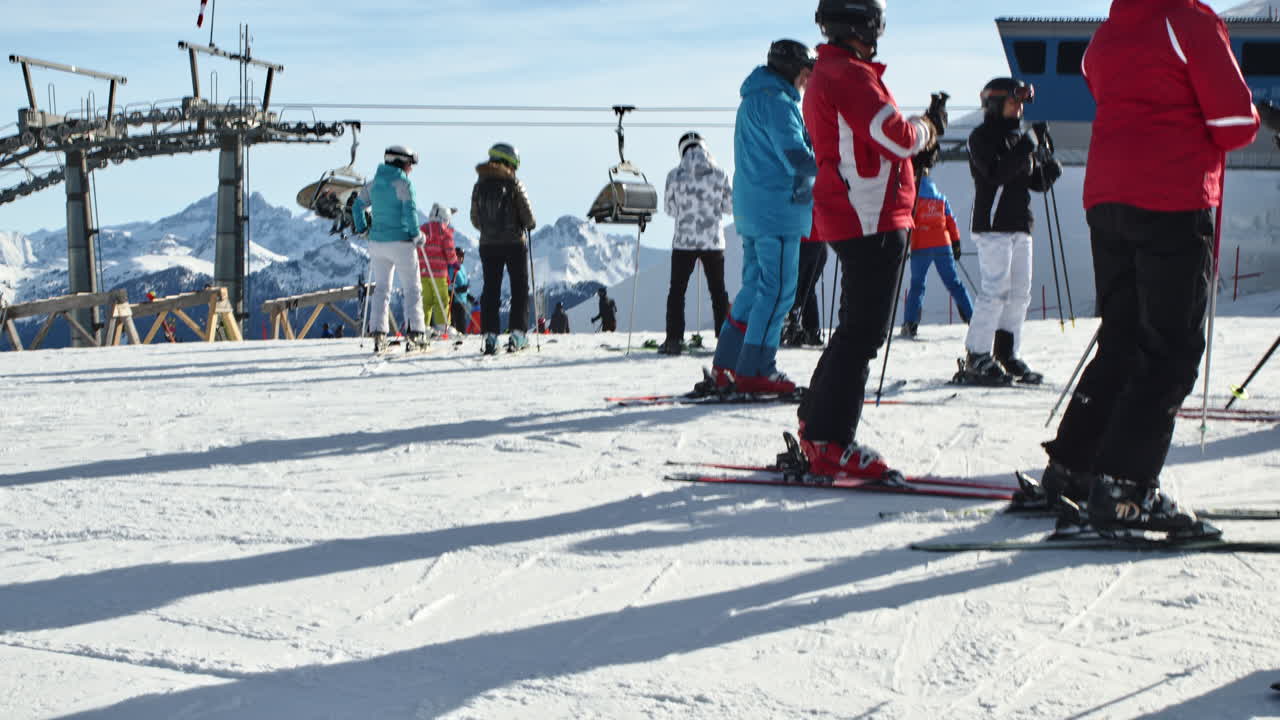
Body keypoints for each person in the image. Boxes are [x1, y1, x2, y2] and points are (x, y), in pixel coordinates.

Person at [1039, 0, 1258, 538]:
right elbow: (1234, 122)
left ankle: (1075, 465)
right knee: (1169, 348)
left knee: (1123, 338)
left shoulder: (1109, 33)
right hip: (1171, 197)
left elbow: (1103, 85)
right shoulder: (1190, 22)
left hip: (1107, 196)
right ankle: (1126, 487)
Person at [797, 0, 945, 477]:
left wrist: (905, 158)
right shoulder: (850, 75)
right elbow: (897, 135)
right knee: (864, 332)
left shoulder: (831, 72)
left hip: (858, 210)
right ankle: (830, 439)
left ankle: (817, 425)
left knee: (854, 327)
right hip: (871, 217)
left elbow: (869, 144)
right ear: (863, 23)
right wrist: (929, 128)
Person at [709, 39, 818, 394]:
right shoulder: (779, 103)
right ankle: (756, 367)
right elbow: (796, 158)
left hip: (754, 208)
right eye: (805, 74)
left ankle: (727, 363)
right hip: (778, 210)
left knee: (756, 287)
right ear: (791, 70)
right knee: (779, 290)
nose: (806, 82)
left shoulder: (754, 98)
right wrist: (833, 160)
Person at [953, 77, 1061, 384]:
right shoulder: (981, 137)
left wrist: (1049, 168)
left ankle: (1007, 352)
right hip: (993, 225)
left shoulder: (1017, 138)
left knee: (1019, 294)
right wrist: (1028, 143)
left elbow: (1030, 181)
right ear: (995, 104)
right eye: (1014, 102)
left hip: (1019, 223)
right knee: (995, 290)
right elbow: (996, 173)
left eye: (1022, 103)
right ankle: (977, 354)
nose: (1019, 108)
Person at [659, 131, 733, 355]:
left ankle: (674, 340)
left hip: (684, 241)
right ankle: (724, 340)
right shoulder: (720, 173)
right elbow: (730, 207)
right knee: (718, 291)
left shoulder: (674, 175)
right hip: (713, 241)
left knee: (677, 291)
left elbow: (669, 210)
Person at [352, 145, 427, 352]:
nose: (411, 168)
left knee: (382, 289)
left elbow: (357, 206)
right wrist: (417, 235)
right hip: (402, 243)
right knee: (412, 288)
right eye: (410, 164)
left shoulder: (374, 183)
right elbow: (410, 214)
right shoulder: (403, 183)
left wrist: (363, 230)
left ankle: (378, 334)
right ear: (401, 163)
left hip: (377, 243)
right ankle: (416, 334)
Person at [901, 145, 973, 338]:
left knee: (917, 285)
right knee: (954, 283)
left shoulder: (913, 196)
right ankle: (972, 317)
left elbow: (906, 220)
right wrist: (956, 243)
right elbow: (950, 220)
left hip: (921, 245)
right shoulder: (940, 197)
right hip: (943, 243)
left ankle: (910, 323)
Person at [471, 142, 536, 354]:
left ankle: (491, 338)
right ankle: (517, 335)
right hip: (514, 243)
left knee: (491, 289)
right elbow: (528, 217)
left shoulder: (479, 185)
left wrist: (489, 230)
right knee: (519, 288)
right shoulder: (514, 183)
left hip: (488, 245)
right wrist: (527, 225)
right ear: (509, 163)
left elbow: (474, 219)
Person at [780, 229, 828, 348]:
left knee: (795, 285)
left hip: (803, 241)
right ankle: (810, 330)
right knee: (808, 288)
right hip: (820, 243)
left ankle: (793, 325)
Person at [417, 203, 458, 338]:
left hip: (423, 272)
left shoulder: (422, 229)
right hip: (439, 273)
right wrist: (454, 262)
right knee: (441, 299)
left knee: (426, 300)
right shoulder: (444, 232)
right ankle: (442, 325)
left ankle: (423, 326)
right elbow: (449, 251)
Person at [450, 247, 471, 334]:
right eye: (458, 256)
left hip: (462, 299)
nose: (460, 258)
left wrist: (468, 294)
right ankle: (453, 335)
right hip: (454, 299)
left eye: (462, 256)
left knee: (462, 321)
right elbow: (448, 283)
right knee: (456, 320)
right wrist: (457, 289)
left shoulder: (462, 268)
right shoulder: (451, 268)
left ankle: (462, 335)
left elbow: (464, 283)